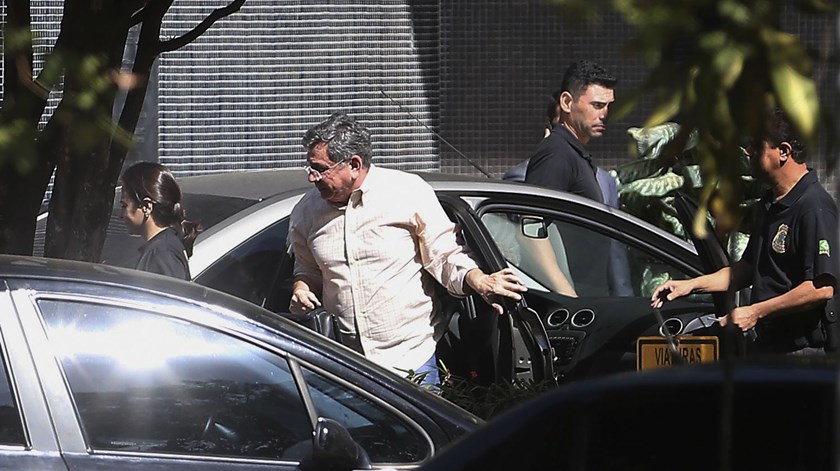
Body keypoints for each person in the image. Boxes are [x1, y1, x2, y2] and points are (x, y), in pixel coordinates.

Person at [287, 112, 526, 385]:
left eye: (320, 169)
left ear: (354, 164)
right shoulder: (307, 211)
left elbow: (443, 256)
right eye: (310, 169)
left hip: (410, 360)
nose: (312, 178)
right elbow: (306, 267)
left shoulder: (406, 192)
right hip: (343, 363)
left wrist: (479, 280)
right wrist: (302, 288)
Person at [651, 108, 839, 355]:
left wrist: (755, 311)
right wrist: (689, 286)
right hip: (770, 346)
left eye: (756, 146)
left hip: (803, 351)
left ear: (783, 152)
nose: (747, 152)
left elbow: (820, 288)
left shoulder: (813, 207)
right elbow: (748, 269)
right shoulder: (769, 203)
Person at [524, 60, 616, 201]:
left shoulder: (571, 153)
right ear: (566, 103)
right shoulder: (556, 153)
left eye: (609, 106)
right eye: (597, 105)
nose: (604, 114)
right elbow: (534, 217)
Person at [119, 161, 201, 280]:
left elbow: (168, 298)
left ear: (147, 206)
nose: (120, 215)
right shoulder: (163, 247)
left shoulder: (162, 253)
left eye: (124, 205)